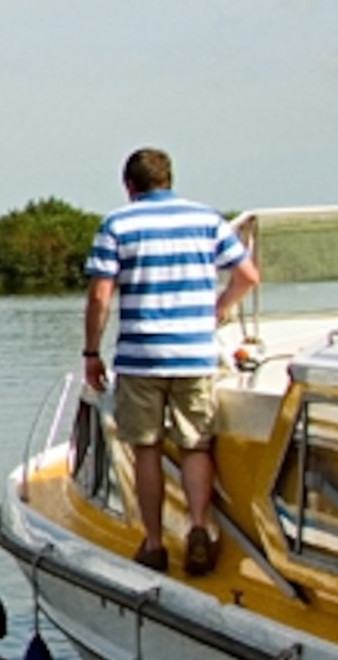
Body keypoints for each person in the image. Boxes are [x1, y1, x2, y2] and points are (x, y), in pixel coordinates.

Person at [83, 147, 262, 576]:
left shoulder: (118, 225)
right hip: (194, 354)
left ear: (130, 186)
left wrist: (91, 351)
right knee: (196, 444)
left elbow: (100, 296)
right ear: (169, 180)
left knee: (146, 448)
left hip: (141, 357)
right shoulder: (206, 220)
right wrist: (219, 308)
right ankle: (199, 528)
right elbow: (248, 276)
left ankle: (155, 542)